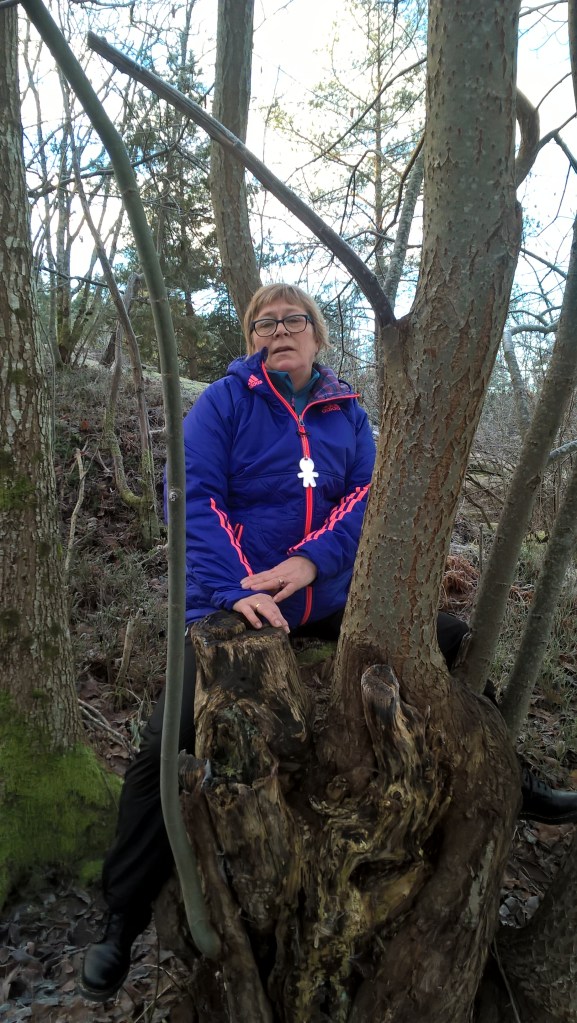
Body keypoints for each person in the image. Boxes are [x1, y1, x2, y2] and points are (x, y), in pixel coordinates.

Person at [81, 283, 577, 1002]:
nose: (278, 330)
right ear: (251, 338)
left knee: (447, 641)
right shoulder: (224, 404)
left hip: (329, 595)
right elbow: (190, 496)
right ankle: (120, 919)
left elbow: (371, 497)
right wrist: (238, 587)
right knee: (165, 741)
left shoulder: (346, 413)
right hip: (237, 600)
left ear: (317, 335)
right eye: (263, 322)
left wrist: (310, 561)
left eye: (293, 320)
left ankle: (512, 780)